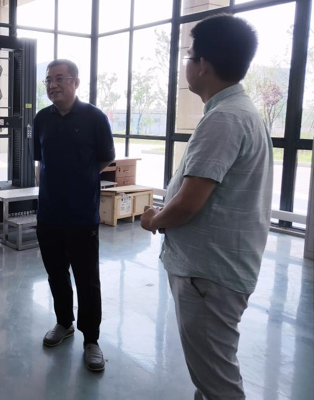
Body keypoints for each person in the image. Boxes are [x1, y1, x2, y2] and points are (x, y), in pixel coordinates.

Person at [140, 14, 272, 399]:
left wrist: (153, 220)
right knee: (210, 373)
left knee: (217, 381)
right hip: (218, 269)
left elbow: (188, 204)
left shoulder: (224, 119)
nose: (186, 64)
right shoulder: (239, 111)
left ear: (203, 65)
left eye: (188, 56)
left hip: (208, 275)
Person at [33, 59, 115, 372]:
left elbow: (105, 159)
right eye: (48, 80)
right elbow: (41, 161)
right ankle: (64, 322)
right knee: (56, 273)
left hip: (82, 215)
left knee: (87, 279)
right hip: (49, 214)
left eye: (59, 78)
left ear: (75, 82)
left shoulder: (95, 117)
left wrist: (81, 178)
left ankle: (91, 339)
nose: (52, 85)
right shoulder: (42, 119)